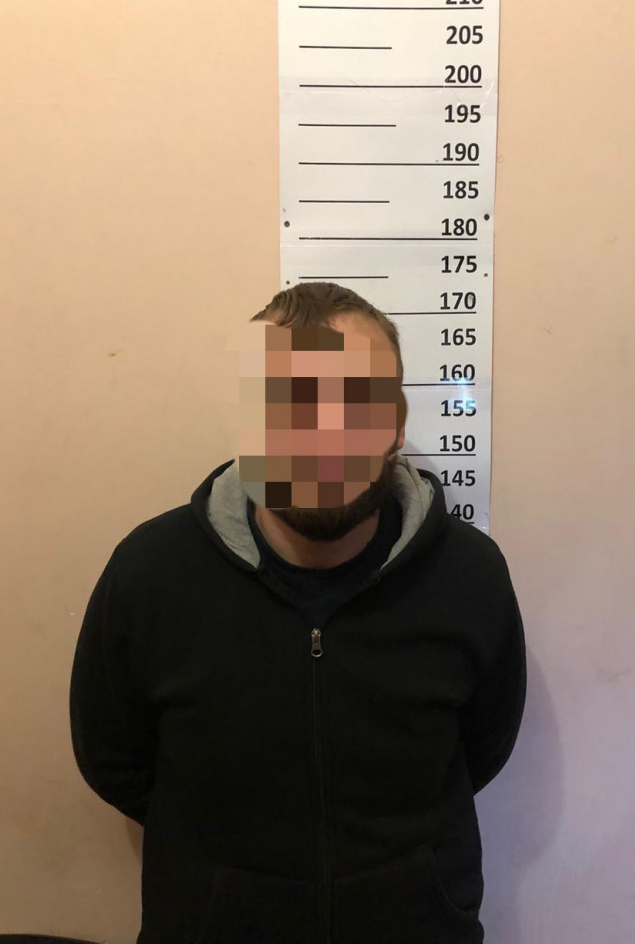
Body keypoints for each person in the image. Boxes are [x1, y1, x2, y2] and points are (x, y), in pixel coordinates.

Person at [69, 281, 527, 944]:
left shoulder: (470, 575)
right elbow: (113, 759)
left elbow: (484, 747)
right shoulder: (150, 573)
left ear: (396, 426)